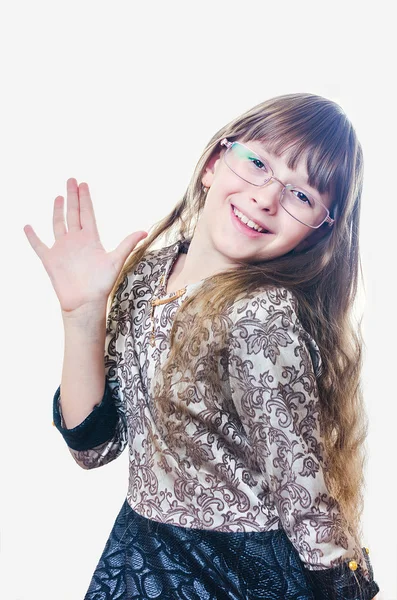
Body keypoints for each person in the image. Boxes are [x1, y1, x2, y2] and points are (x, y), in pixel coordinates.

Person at [24, 92, 380, 600]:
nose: (266, 197)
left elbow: (305, 498)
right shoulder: (149, 272)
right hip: (142, 551)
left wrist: (347, 588)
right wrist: (82, 316)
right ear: (215, 162)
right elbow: (95, 447)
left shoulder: (261, 314)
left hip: (237, 574)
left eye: (302, 196)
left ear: (317, 233)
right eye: (258, 164)